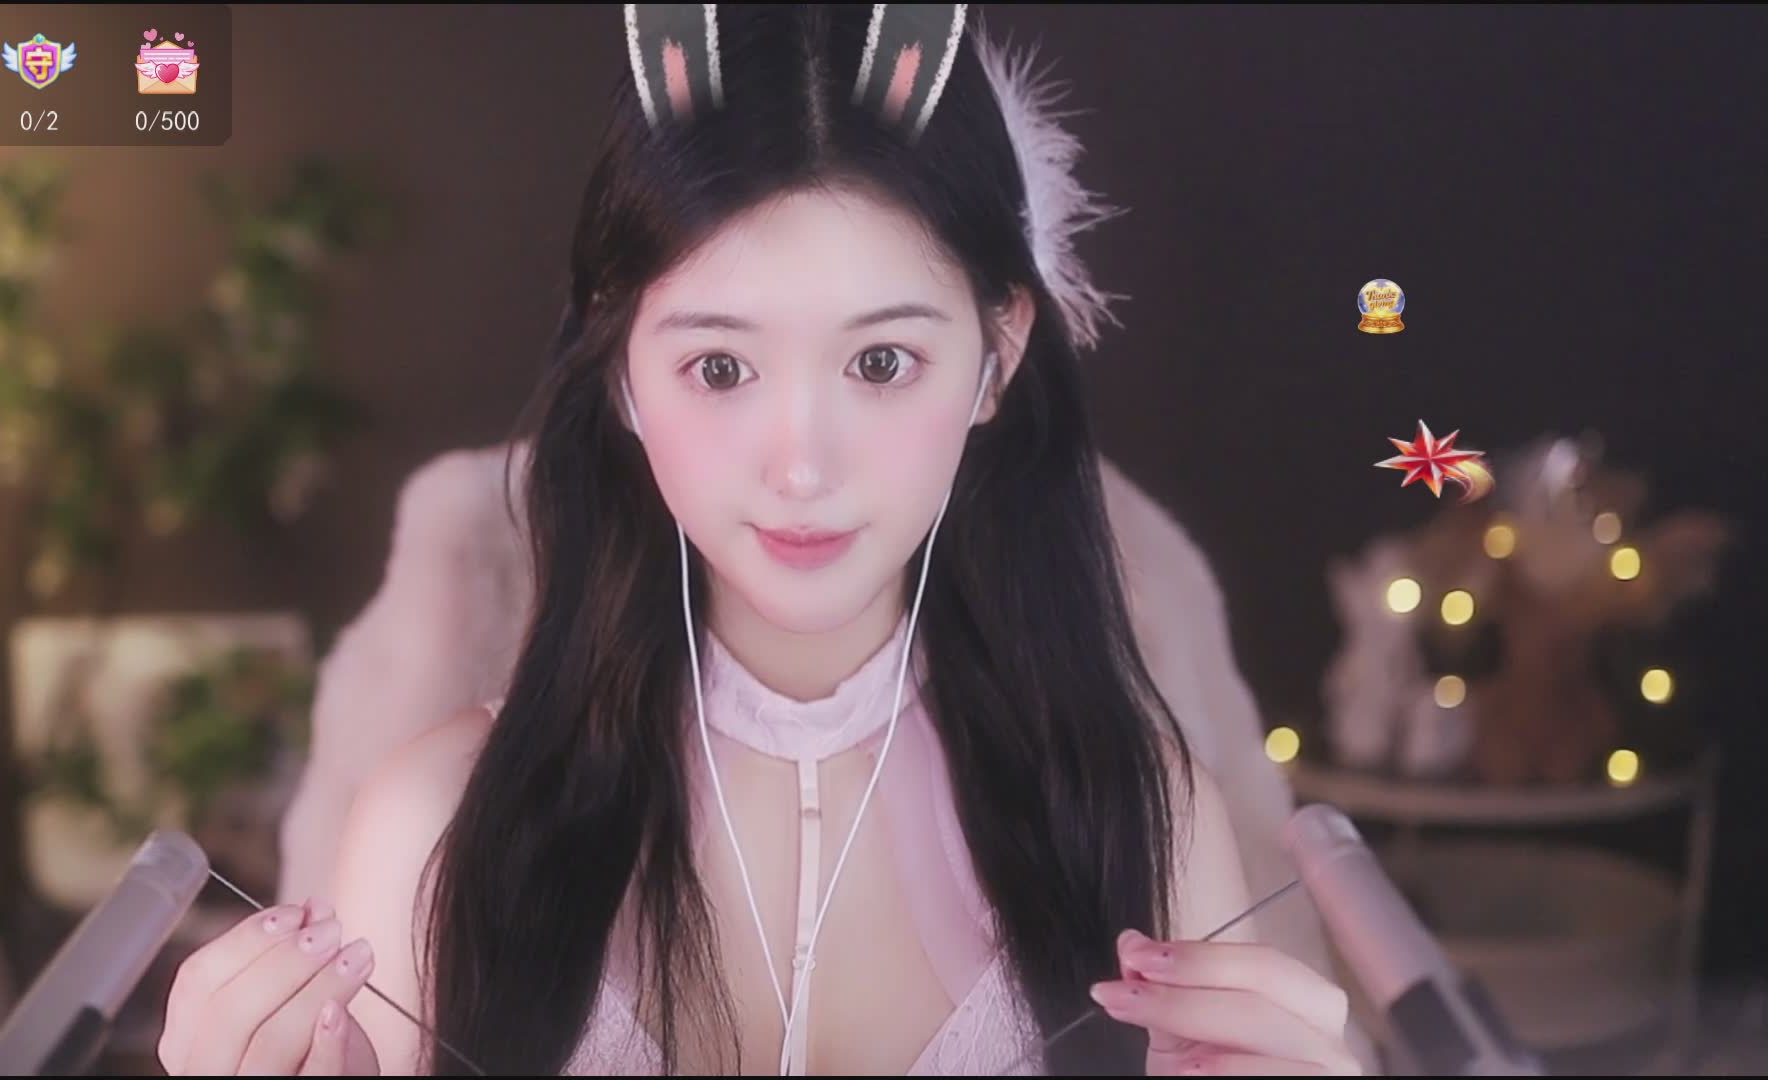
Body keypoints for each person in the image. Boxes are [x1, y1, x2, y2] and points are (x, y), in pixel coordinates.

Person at [158, 6, 1365, 1076]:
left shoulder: (1146, 824)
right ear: (621, 370)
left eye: (881, 362)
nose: (801, 467)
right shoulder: (437, 825)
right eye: (721, 367)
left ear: (997, 354)